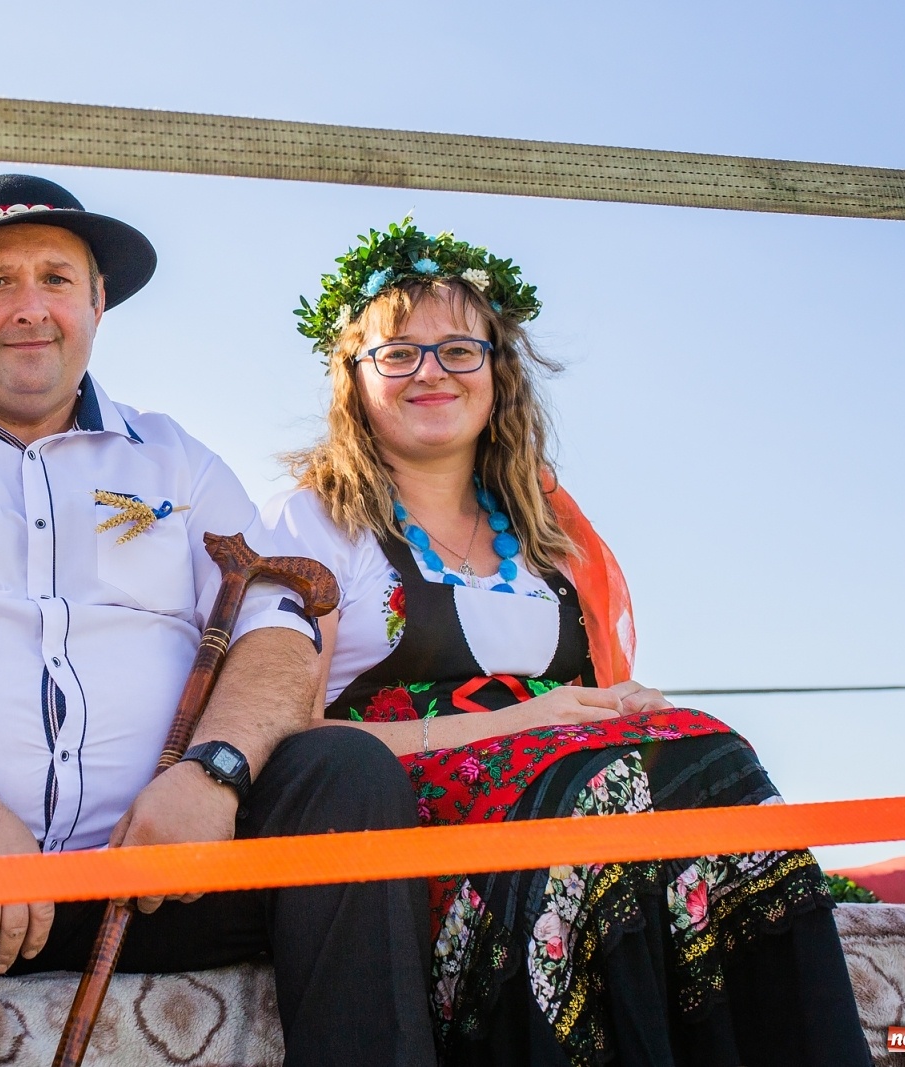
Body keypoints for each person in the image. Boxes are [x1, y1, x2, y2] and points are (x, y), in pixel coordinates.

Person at [0, 175, 436, 1067]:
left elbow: (280, 635)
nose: (32, 309)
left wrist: (210, 778)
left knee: (345, 771)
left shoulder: (179, 461)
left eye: (57, 279)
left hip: (165, 883)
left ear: (97, 303)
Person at [264, 220, 871, 1067]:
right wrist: (524, 726)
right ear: (354, 380)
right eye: (397, 353)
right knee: (598, 792)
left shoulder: (548, 534)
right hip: (415, 808)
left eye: (457, 350)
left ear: (496, 371)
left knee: (715, 761)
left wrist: (618, 708)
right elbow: (290, 746)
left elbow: (585, 707)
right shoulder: (318, 524)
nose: (430, 371)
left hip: (572, 773)